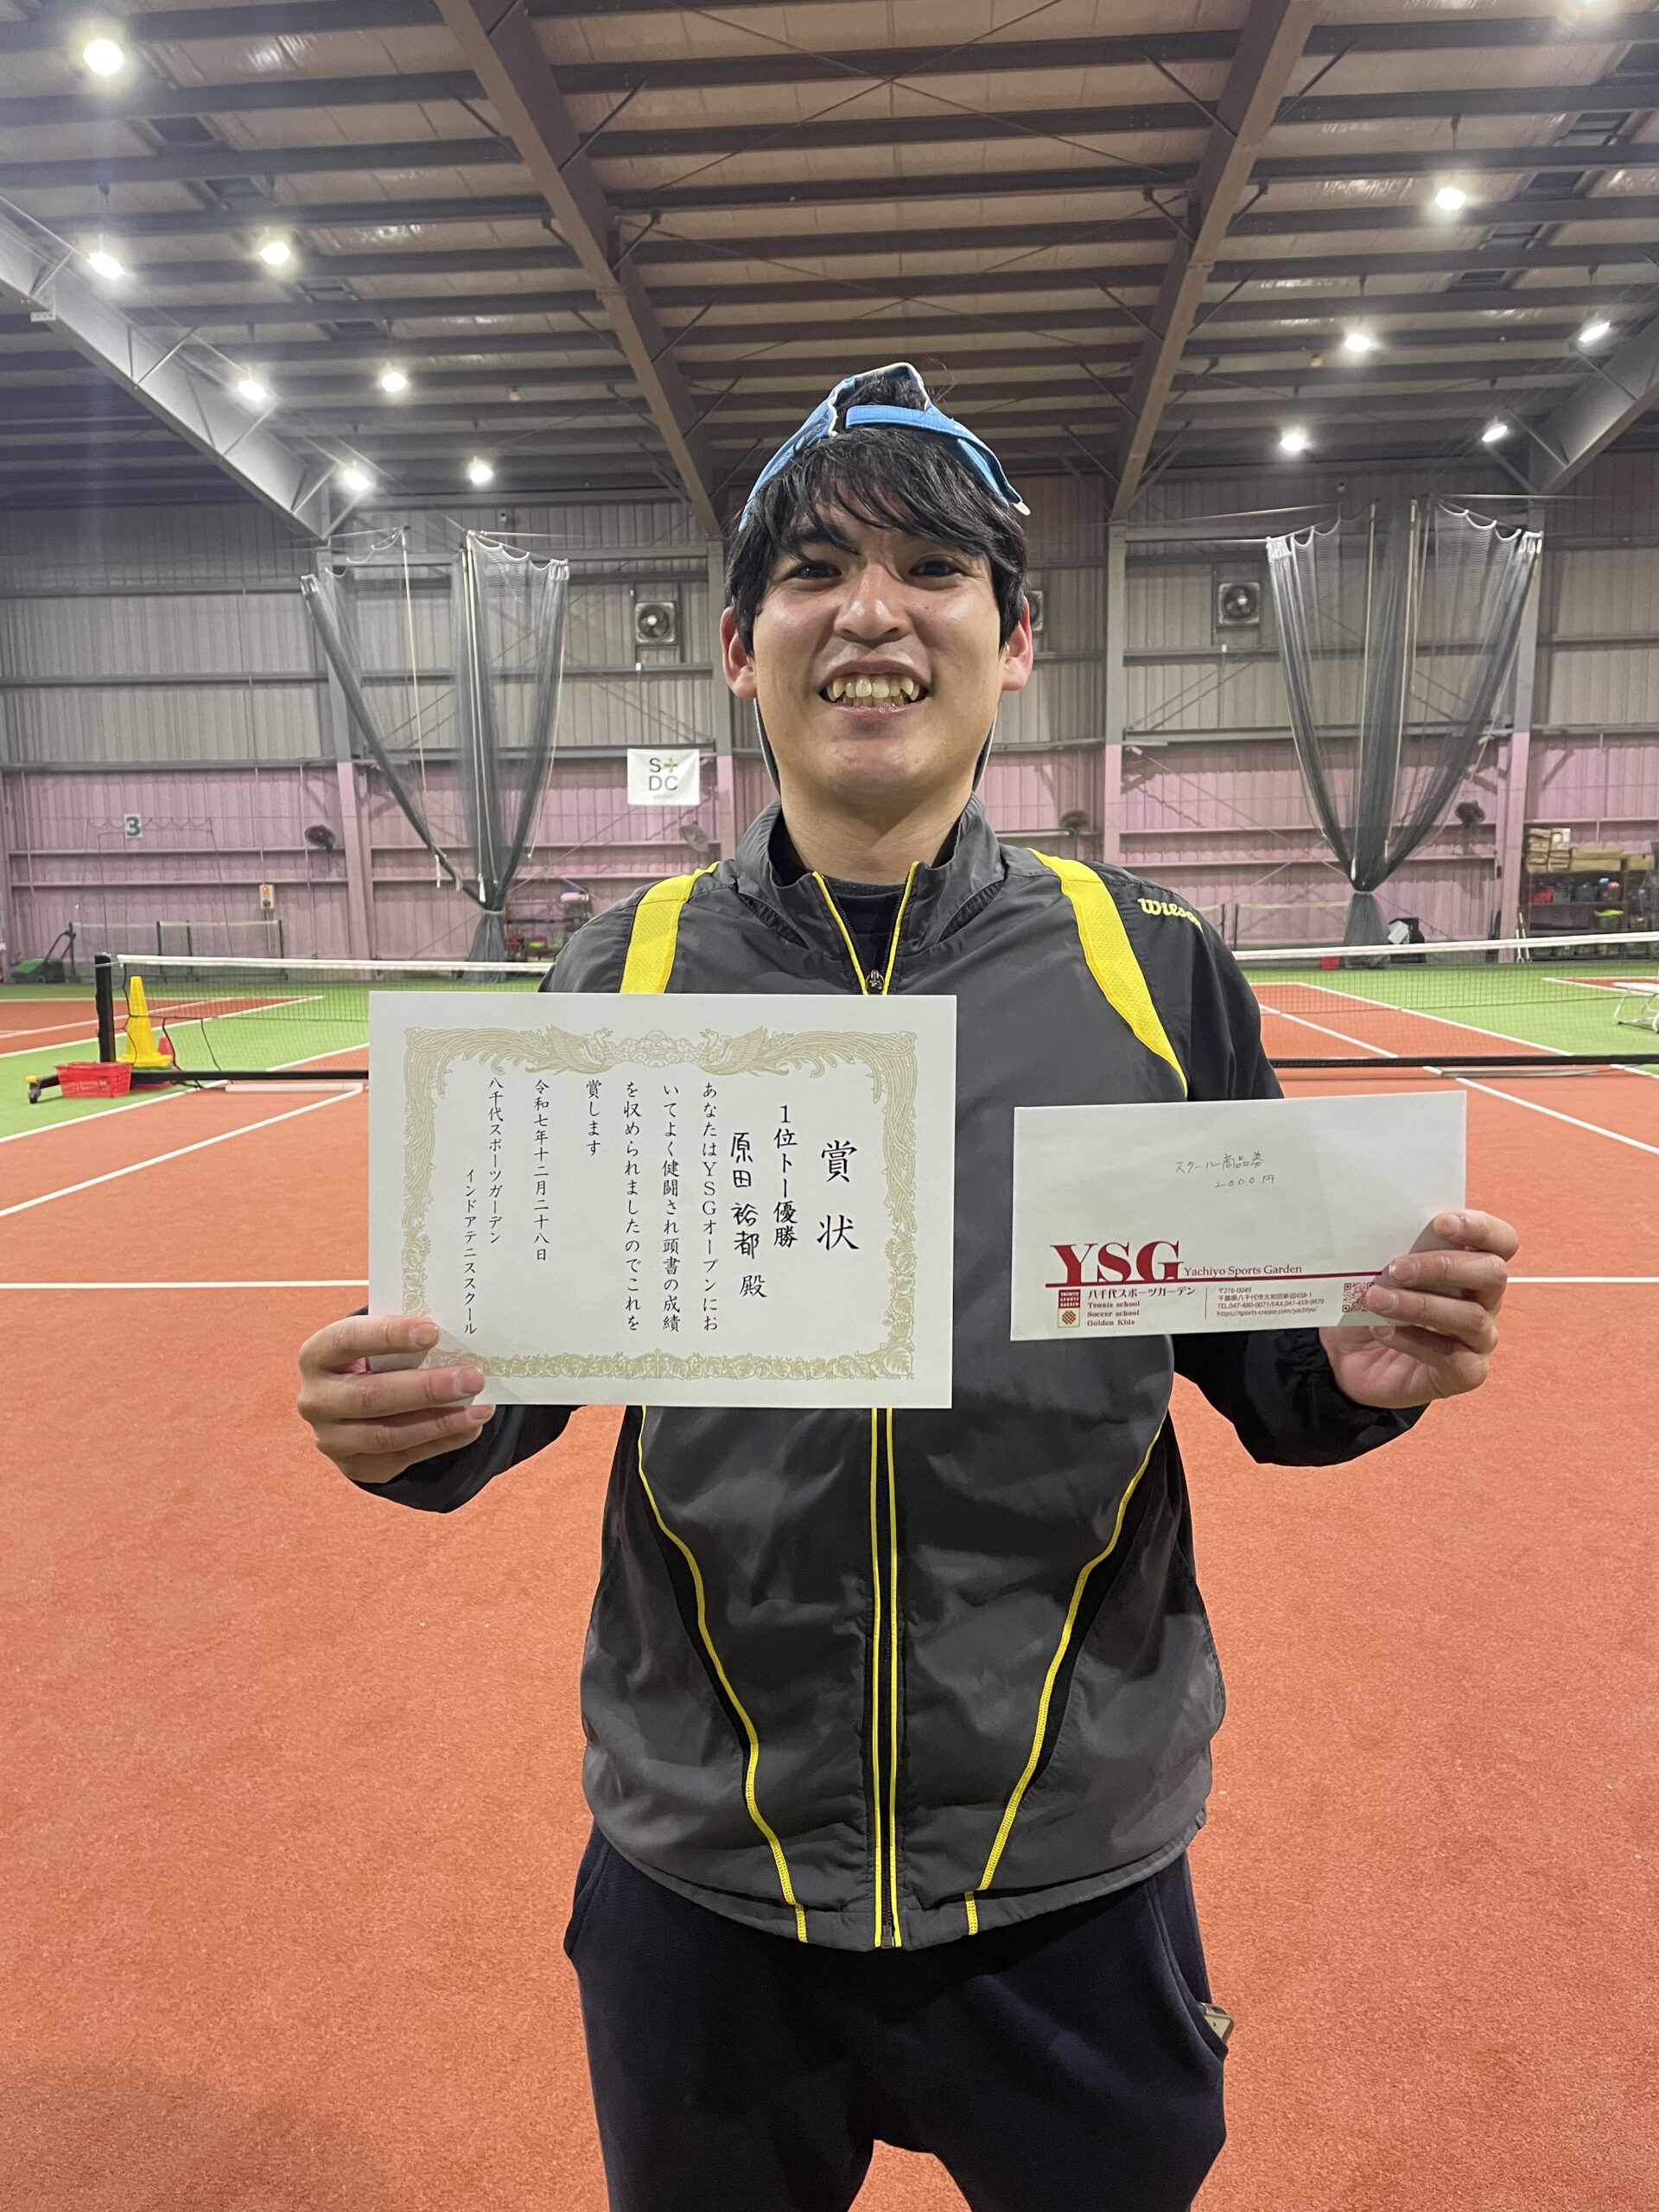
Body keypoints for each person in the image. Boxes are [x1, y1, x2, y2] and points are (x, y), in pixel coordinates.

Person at [296, 365, 1518, 2212]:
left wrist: (1349, 1371)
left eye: (933, 569)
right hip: (712, 1869)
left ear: (1015, 641)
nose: (871, 610)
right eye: (814, 572)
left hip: (1069, 1870)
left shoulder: (1151, 960)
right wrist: (412, 1423)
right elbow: (513, 1364)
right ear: (740, 649)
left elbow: (1266, 1353)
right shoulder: (618, 972)